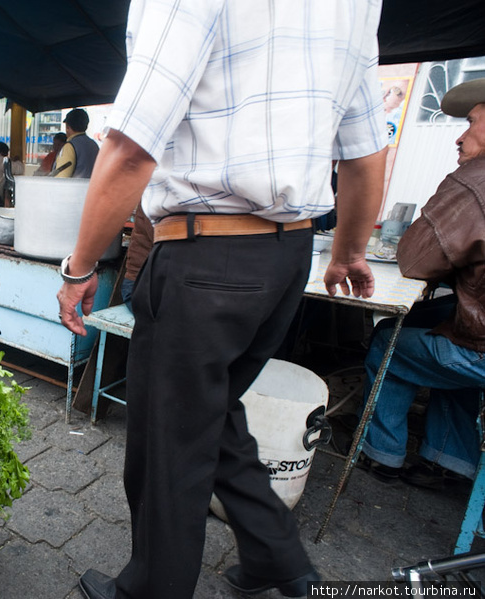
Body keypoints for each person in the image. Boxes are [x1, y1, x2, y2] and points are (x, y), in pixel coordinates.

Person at [56, 2, 388, 598]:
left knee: (167, 442)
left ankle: (152, 589)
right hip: (287, 258)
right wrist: (348, 250)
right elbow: (364, 150)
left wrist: (80, 266)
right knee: (210, 411)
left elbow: (132, 147)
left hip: (208, 260)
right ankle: (276, 557)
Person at [358, 78, 485, 490]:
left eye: (470, 123)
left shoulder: (474, 180)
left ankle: (382, 454)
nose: (460, 138)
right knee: (437, 321)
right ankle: (450, 460)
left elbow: (414, 260)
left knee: (387, 340)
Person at [53, 108, 99, 178]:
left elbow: (61, 178)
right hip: (93, 188)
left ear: (68, 127)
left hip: (74, 188)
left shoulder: (70, 146)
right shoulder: (94, 145)